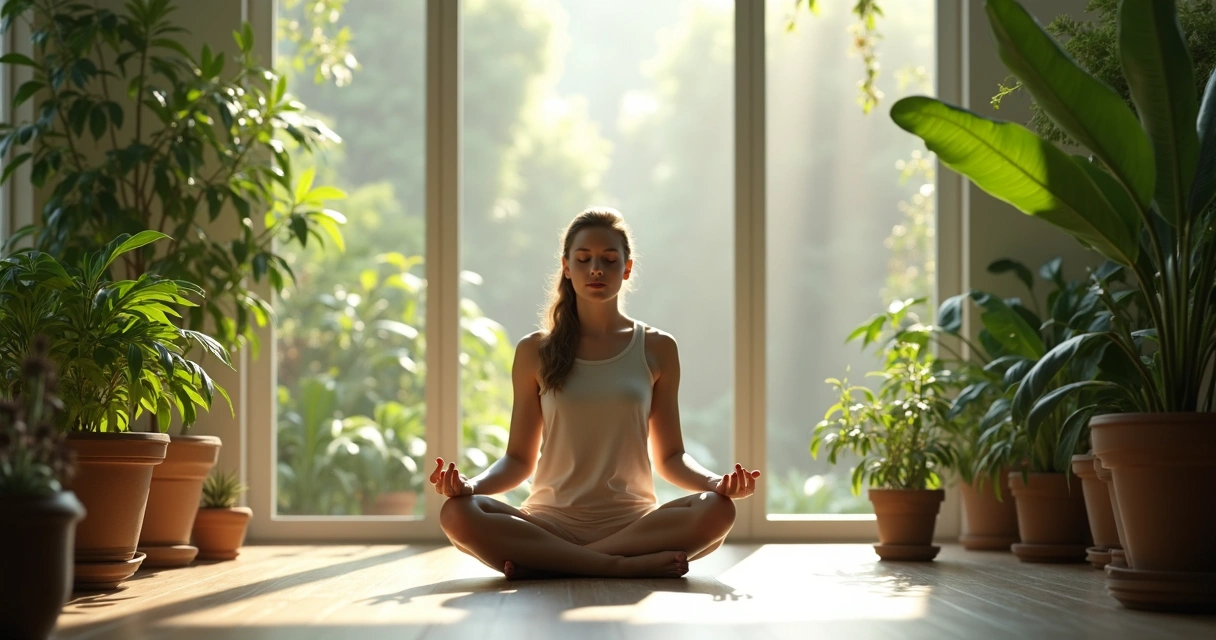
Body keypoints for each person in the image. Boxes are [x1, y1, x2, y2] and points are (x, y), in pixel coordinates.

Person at [433, 207, 762, 580]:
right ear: (566, 266)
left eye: (609, 259)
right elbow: (517, 460)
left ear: (627, 268)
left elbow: (670, 457)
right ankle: (613, 566)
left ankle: (551, 563)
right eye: (584, 259)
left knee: (718, 510)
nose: (596, 269)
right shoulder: (534, 351)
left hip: (634, 527)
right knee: (456, 513)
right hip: (548, 523)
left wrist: (716, 483)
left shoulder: (657, 348)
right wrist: (469, 486)